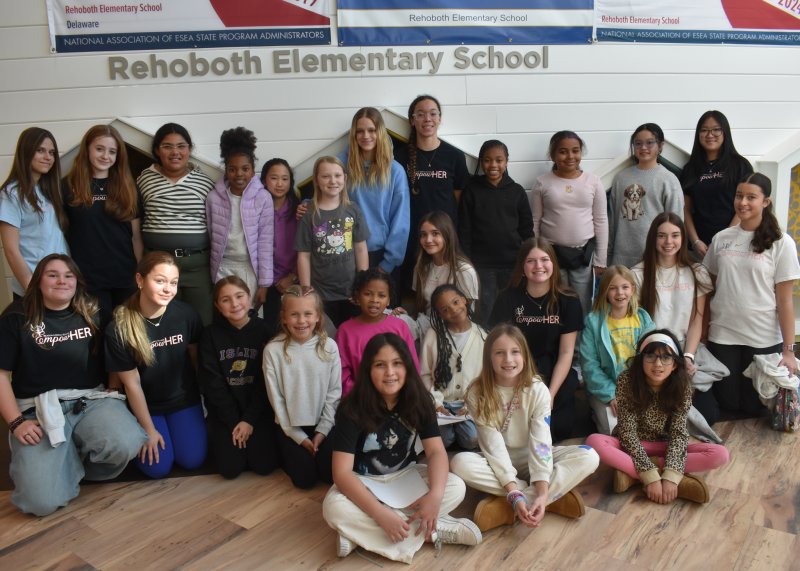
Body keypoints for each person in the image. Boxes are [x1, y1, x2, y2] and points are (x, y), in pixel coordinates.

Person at [0, 254, 145, 516]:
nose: (62, 281)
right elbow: (0, 374)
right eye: (52, 274)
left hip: (89, 400)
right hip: (37, 409)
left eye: (69, 275)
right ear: (39, 280)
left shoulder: (93, 310)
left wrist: (113, 387)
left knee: (127, 442)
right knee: (38, 503)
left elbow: (111, 354)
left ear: (77, 281)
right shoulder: (16, 317)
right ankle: (54, 466)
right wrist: (15, 422)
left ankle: (71, 464)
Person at [323, 333, 481, 563]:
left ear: (407, 367)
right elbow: (342, 473)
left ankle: (358, 534)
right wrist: (379, 513)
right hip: (365, 483)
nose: (390, 372)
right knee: (332, 508)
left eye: (397, 363)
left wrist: (436, 495)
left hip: (405, 479)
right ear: (368, 369)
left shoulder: (421, 401)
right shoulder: (351, 408)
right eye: (380, 365)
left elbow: (436, 452)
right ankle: (432, 532)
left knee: (455, 486)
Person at [450, 324, 599, 533]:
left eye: (515, 352)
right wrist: (512, 490)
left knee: (590, 456)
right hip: (496, 461)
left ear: (525, 355)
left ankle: (520, 503)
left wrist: (541, 488)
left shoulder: (538, 390)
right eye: (499, 353)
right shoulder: (477, 392)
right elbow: (493, 446)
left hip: (532, 455)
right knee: (459, 463)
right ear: (488, 358)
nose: (508, 360)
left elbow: (541, 443)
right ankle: (545, 500)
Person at [586, 330, 729, 504]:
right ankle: (665, 478)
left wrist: (671, 476)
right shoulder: (627, 380)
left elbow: (678, 433)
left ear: (675, 364)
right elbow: (627, 432)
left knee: (720, 454)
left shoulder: (681, 386)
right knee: (594, 442)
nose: (658, 364)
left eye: (666, 358)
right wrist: (650, 476)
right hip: (631, 445)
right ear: (641, 360)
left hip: (664, 445)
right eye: (651, 356)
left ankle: (632, 476)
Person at [704, 172, 800, 417]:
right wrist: (704, 333)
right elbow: (709, 288)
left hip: (763, 338)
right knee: (728, 404)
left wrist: (789, 351)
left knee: (754, 407)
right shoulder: (721, 239)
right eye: (739, 196)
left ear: (765, 201)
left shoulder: (781, 242)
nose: (743, 202)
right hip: (723, 334)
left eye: (751, 197)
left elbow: (785, 301)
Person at [105, 251, 207, 479]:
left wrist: (202, 398)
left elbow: (194, 357)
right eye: (159, 281)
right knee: (158, 468)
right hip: (146, 405)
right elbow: (131, 385)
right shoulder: (119, 327)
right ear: (140, 280)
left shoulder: (186, 314)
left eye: (173, 283)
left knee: (193, 460)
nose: (167, 289)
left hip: (183, 400)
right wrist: (149, 430)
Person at [489, 238, 582, 441]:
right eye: (531, 261)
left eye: (544, 259)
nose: (538, 266)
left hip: (554, 373)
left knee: (558, 430)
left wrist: (550, 394)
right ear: (522, 266)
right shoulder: (507, 299)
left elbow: (566, 353)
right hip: (515, 370)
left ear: (553, 265)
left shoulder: (569, 301)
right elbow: (497, 346)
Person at [631, 213, 716, 421]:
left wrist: (688, 356)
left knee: (709, 413)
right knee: (654, 414)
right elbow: (635, 324)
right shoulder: (637, 274)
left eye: (675, 235)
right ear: (653, 238)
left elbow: (697, 319)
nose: (669, 242)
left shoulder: (696, 272)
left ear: (683, 238)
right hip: (652, 353)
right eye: (662, 236)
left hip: (684, 349)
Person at [198, 276, 280, 479]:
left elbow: (266, 383)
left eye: (239, 296)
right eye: (225, 300)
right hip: (226, 412)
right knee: (230, 469)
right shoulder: (209, 335)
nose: (234, 304)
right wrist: (235, 421)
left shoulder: (265, 331)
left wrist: (249, 420)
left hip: (257, 410)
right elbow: (213, 384)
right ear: (217, 306)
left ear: (249, 296)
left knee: (264, 466)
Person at [63, 124, 142, 324]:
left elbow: (136, 237)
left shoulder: (128, 188)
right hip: (88, 279)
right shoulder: (69, 186)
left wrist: (138, 272)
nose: (105, 156)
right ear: (87, 149)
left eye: (112, 151)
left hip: (124, 276)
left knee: (127, 334)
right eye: (99, 149)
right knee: (97, 336)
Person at [137, 123, 215, 324]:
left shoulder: (205, 182)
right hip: (157, 267)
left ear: (189, 149)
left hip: (197, 268)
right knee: (161, 324)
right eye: (167, 146)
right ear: (156, 150)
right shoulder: (144, 180)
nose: (175, 152)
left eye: (181, 146)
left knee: (201, 323)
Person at [263, 285, 341, 489]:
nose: (301, 321)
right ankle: (286, 451)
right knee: (304, 480)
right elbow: (277, 400)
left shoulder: (329, 347)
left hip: (324, 423)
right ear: (284, 317)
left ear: (317, 316)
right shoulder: (273, 351)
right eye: (294, 314)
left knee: (329, 475)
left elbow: (334, 393)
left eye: (308, 314)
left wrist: (322, 431)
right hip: (290, 426)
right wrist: (298, 437)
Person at [394, 95, 469, 290]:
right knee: (417, 291)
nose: (427, 119)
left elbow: (458, 199)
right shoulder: (400, 156)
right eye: (421, 114)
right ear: (412, 120)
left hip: (445, 237)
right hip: (413, 238)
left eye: (433, 113)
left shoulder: (454, 156)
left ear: (439, 119)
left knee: (447, 291)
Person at [532, 130, 608, 316]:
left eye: (575, 151)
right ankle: (559, 341)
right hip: (551, 254)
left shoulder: (593, 182)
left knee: (582, 304)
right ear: (553, 154)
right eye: (563, 151)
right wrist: (535, 255)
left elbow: (601, 220)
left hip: (583, 256)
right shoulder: (542, 183)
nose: (570, 156)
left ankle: (580, 344)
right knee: (555, 301)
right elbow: (535, 221)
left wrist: (601, 259)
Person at [458, 139, 534, 324]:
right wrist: (468, 261)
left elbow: (527, 230)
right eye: (487, 160)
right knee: (486, 309)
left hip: (512, 264)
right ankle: (485, 346)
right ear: (481, 162)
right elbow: (465, 230)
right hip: (482, 266)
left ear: (506, 162)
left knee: (514, 308)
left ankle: (515, 347)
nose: (493, 165)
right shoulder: (472, 191)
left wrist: (528, 259)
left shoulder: (516, 192)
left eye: (499, 160)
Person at [295, 156, 369, 327]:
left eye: (337, 175)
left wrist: (362, 284)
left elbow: (360, 249)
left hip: (351, 293)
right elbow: (303, 255)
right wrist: (306, 289)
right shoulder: (308, 214)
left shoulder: (353, 209)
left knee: (350, 336)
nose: (333, 181)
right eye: (326, 176)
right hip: (321, 294)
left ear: (345, 178)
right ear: (317, 180)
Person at [580, 266, 655, 435]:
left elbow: (652, 358)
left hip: (639, 387)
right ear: (605, 291)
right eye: (612, 288)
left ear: (633, 289)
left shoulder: (643, 319)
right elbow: (589, 365)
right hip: (606, 391)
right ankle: (596, 413)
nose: (619, 293)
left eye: (625, 287)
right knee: (616, 432)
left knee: (650, 426)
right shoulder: (594, 322)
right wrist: (612, 395)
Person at [206, 127, 273, 311]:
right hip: (223, 267)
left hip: (250, 269)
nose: (239, 174)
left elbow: (266, 243)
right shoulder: (214, 198)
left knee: (248, 317)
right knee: (226, 314)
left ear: (253, 171)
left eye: (245, 168)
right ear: (226, 170)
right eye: (232, 169)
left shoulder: (263, 198)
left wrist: (264, 284)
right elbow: (212, 237)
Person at [340, 107, 410, 275]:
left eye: (371, 130)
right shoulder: (342, 166)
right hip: (347, 253)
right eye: (360, 131)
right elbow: (326, 191)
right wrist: (308, 204)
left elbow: (401, 220)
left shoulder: (395, 171)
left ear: (380, 132)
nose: (366, 136)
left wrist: (388, 263)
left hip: (382, 256)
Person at [0, 127, 68, 299]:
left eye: (52, 152)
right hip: (34, 289)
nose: (48, 157)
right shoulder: (11, 193)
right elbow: (11, 250)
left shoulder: (48, 191)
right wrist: (31, 290)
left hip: (59, 286)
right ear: (26, 151)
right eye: (40, 151)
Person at [420, 284, 487, 450]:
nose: (454, 310)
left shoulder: (483, 336)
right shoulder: (433, 335)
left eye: (456, 302)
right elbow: (425, 374)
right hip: (442, 405)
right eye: (445, 309)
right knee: (443, 439)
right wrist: (436, 404)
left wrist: (470, 405)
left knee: (472, 439)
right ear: (440, 315)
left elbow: (486, 377)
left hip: (470, 404)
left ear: (464, 300)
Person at [608, 123, 684, 268]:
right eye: (638, 143)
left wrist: (674, 257)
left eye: (650, 143)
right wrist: (608, 253)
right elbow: (612, 220)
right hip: (621, 258)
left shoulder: (668, 179)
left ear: (660, 146)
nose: (643, 147)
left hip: (656, 257)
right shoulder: (621, 178)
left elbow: (677, 222)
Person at [680, 110, 753, 259]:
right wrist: (695, 241)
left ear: (725, 132)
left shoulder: (740, 165)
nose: (710, 135)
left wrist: (726, 239)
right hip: (700, 249)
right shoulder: (690, 169)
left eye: (716, 130)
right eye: (704, 130)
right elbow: (685, 209)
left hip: (735, 245)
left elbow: (745, 205)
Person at [336, 268, 418, 397]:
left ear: (389, 300)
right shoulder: (345, 331)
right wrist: (363, 396)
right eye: (368, 294)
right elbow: (342, 374)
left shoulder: (400, 326)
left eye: (381, 295)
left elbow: (412, 366)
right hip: (361, 401)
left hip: (398, 399)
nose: (374, 300)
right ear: (357, 296)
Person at [413, 210, 479, 317]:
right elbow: (421, 307)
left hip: (454, 329)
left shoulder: (464, 270)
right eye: (423, 235)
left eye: (435, 233)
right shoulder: (420, 267)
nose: (428, 240)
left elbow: (467, 314)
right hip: (425, 324)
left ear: (447, 235)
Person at [261, 158, 299, 328]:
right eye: (274, 178)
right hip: (266, 282)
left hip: (294, 280)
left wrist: (292, 277)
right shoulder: (256, 209)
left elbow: (307, 249)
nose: (279, 184)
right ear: (264, 180)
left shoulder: (299, 211)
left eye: (285, 179)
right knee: (271, 329)